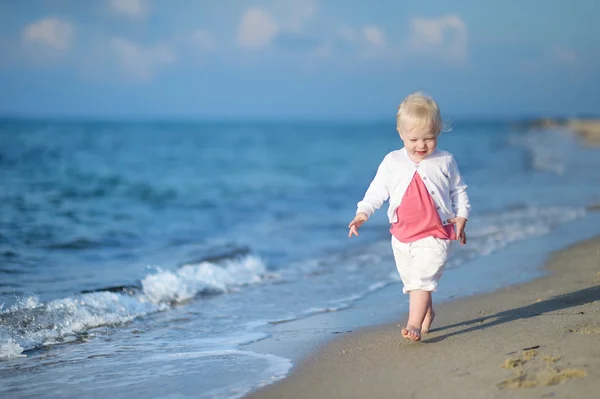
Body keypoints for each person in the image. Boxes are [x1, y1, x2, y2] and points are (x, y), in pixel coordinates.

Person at [348, 92, 470, 342]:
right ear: (400, 134)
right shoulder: (393, 161)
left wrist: (461, 216)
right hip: (402, 235)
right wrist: (363, 212)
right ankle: (427, 310)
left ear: (438, 133)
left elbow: (459, 190)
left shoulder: (445, 160)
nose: (422, 145)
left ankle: (413, 323)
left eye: (430, 138)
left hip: (436, 232)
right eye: (414, 139)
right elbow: (377, 190)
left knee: (422, 279)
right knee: (414, 279)